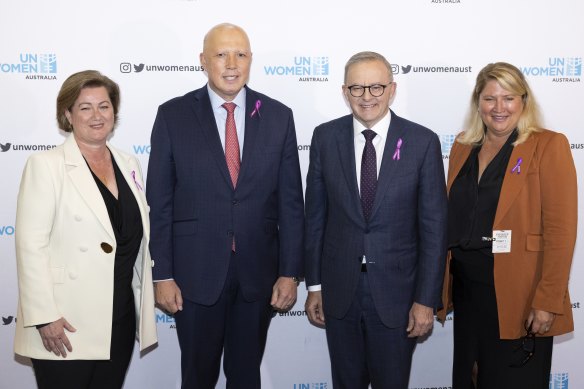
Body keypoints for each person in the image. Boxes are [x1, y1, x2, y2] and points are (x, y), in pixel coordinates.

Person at [146, 23, 304, 389]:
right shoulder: (173, 115)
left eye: (241, 54)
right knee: (197, 377)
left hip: (259, 275)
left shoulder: (279, 116)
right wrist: (162, 274)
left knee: (246, 376)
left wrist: (290, 271)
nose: (231, 64)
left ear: (251, 61)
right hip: (193, 276)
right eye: (221, 54)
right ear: (203, 60)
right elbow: (161, 203)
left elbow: (291, 203)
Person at [304, 51, 448, 389]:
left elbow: (434, 230)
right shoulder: (325, 138)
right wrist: (314, 286)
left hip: (398, 295)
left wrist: (426, 299)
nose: (367, 97)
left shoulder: (422, 142)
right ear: (344, 91)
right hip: (340, 293)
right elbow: (315, 219)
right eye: (357, 88)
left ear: (392, 89)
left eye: (376, 87)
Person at [14, 70, 157, 389]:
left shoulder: (129, 162)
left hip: (117, 318)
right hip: (65, 321)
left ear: (114, 112)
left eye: (104, 106)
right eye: (85, 107)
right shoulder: (46, 165)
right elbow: (29, 246)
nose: (97, 115)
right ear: (67, 114)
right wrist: (43, 317)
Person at [437, 62, 577, 389]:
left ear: (523, 101)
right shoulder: (462, 145)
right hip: (468, 292)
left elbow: (561, 232)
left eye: (508, 98)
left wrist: (547, 301)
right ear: (477, 103)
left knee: (512, 380)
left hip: (519, 293)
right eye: (489, 98)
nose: (499, 108)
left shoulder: (547, 145)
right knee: (470, 379)